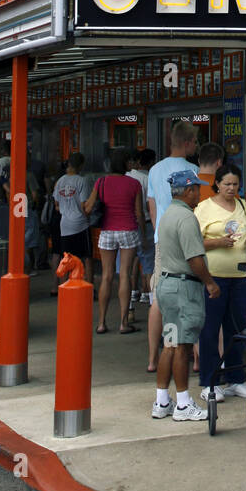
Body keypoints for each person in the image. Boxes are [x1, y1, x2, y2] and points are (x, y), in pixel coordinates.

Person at [151, 169, 220, 422]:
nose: (199, 194)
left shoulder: (168, 214)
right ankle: (182, 404)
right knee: (182, 347)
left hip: (167, 286)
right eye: (197, 189)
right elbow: (195, 259)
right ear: (188, 190)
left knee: (169, 344)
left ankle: (161, 401)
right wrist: (210, 283)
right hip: (183, 290)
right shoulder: (187, 218)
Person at [194, 164, 246, 401]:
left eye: (235, 184)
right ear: (217, 184)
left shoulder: (241, 204)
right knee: (210, 328)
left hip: (240, 276)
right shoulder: (204, 208)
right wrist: (218, 242)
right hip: (213, 276)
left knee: (237, 327)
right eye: (227, 184)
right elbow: (194, 242)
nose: (231, 189)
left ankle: (235, 378)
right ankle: (210, 381)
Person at [146, 120, 200, 373]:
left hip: (162, 240)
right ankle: (195, 356)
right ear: (188, 143)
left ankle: (154, 359)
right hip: (187, 239)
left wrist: (159, 232)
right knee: (193, 296)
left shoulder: (155, 170)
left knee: (160, 297)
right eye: (195, 142)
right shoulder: (193, 170)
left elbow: (152, 207)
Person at [84, 148, 143, 334]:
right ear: (127, 164)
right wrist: (144, 235)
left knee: (107, 275)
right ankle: (123, 323)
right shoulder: (134, 184)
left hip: (107, 231)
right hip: (128, 230)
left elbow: (88, 208)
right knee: (125, 274)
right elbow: (139, 213)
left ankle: (101, 322)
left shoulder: (100, 182)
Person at [52, 153, 94, 284]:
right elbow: (84, 205)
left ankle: (64, 287)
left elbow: (57, 206)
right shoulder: (81, 181)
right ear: (81, 165)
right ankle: (90, 287)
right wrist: (88, 217)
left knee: (66, 258)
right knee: (87, 257)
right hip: (81, 224)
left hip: (64, 225)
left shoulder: (60, 181)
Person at [128, 147, 156, 308]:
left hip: (128, 225)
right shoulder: (148, 179)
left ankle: (133, 292)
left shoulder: (128, 176)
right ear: (151, 162)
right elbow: (147, 205)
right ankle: (148, 293)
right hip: (144, 223)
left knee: (132, 260)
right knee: (149, 263)